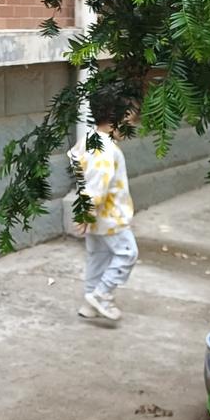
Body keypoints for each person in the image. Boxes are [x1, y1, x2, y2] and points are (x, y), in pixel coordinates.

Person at [67, 91, 136, 324]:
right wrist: (87, 210)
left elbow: (77, 165)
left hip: (97, 215)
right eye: (129, 121)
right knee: (127, 253)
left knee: (98, 257)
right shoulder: (106, 149)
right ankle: (102, 294)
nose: (130, 127)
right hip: (110, 217)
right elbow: (98, 182)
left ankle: (89, 302)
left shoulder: (88, 141)